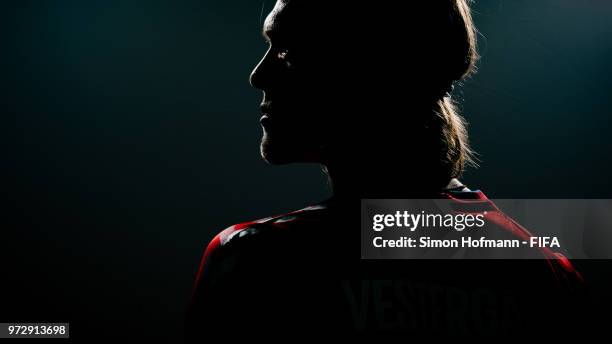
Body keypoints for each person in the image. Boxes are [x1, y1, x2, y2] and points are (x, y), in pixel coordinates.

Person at [185, 1, 584, 340]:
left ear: (368, 66)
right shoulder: (544, 272)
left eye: (288, 50)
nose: (259, 75)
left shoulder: (260, 263)